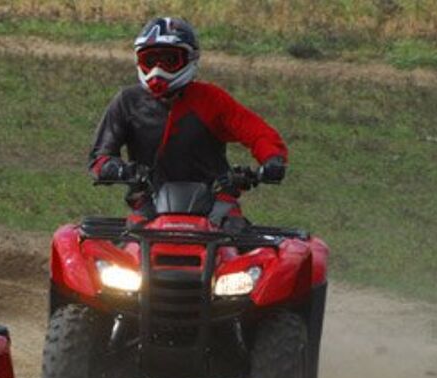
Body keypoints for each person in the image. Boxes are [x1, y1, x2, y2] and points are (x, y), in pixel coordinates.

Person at [88, 17, 289, 228]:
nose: (158, 69)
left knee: (235, 233)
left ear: (190, 59)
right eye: (151, 60)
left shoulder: (211, 99)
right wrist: (118, 170)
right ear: (139, 62)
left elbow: (258, 133)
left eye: (169, 60)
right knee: (130, 240)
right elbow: (99, 157)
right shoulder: (127, 101)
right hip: (148, 200)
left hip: (216, 199)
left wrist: (272, 160)